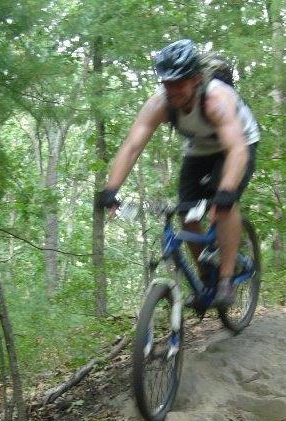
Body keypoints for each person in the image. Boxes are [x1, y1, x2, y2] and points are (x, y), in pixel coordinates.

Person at [96, 39, 260, 308]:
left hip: (239, 144)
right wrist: (111, 189)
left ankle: (226, 280)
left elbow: (237, 150)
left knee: (225, 204)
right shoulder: (160, 104)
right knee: (187, 214)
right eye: (166, 83)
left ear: (195, 79)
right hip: (200, 148)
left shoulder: (217, 100)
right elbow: (133, 145)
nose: (171, 90)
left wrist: (226, 194)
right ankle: (207, 276)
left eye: (178, 82)